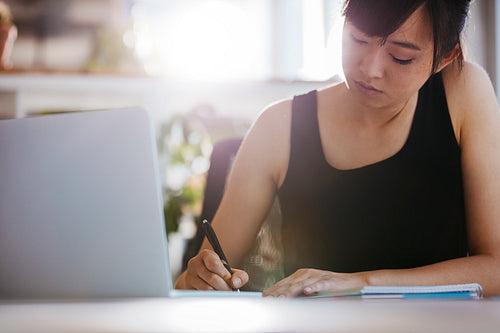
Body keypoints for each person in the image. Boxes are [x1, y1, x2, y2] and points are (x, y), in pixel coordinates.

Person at [175, 0, 500, 297]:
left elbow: (496, 266)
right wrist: (200, 278)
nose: (370, 69)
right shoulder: (278, 126)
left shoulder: (462, 93)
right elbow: (197, 283)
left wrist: (361, 282)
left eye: (401, 57)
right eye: (358, 39)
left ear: (445, 58)